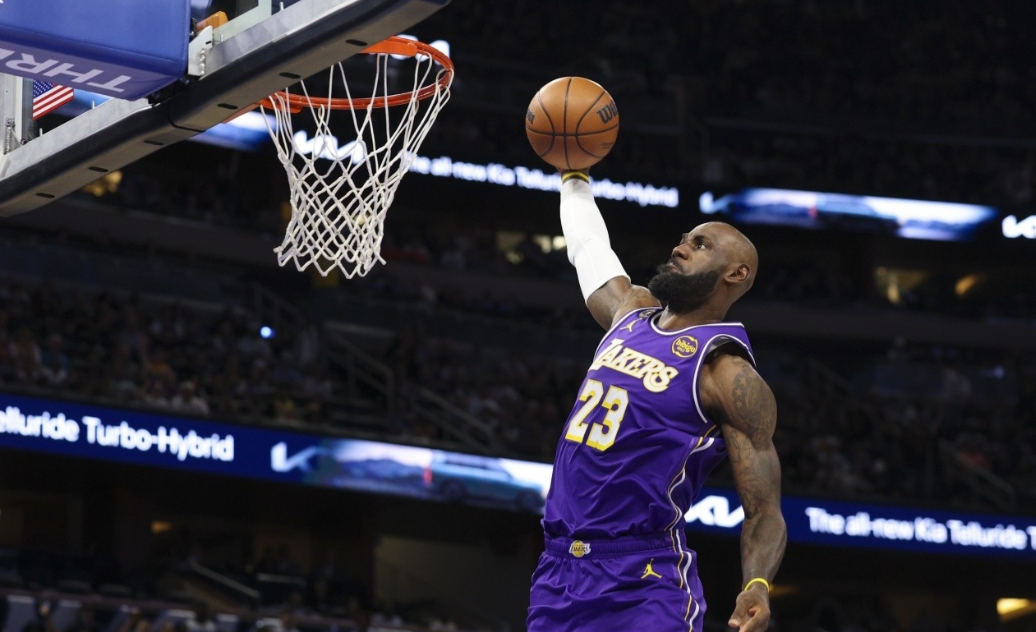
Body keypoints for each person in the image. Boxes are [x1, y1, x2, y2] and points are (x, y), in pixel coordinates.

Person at [527, 170, 787, 632]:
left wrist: (757, 583)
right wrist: (574, 177)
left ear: (736, 273)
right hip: (558, 570)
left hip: (643, 579)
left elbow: (764, 511)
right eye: (683, 239)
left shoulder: (726, 372)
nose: (679, 248)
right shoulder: (629, 313)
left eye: (700, 245)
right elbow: (588, 247)